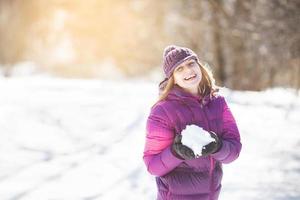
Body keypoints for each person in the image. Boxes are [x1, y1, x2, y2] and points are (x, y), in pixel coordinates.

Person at [143, 45, 242, 200]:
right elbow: (152, 166)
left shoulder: (218, 103)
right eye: (179, 69)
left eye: (191, 64)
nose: (188, 71)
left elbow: (234, 151)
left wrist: (218, 146)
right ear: (172, 78)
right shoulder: (162, 111)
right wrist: (176, 153)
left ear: (199, 66)